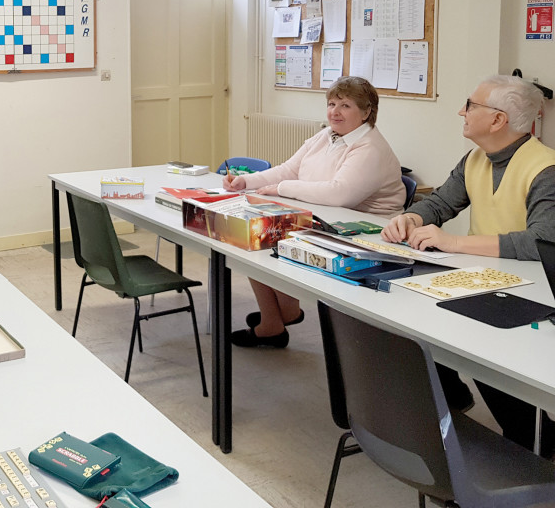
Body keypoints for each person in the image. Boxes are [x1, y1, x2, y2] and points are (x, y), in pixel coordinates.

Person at [382, 74, 555, 452]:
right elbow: (441, 203)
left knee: (483, 349)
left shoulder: (545, 169)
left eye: (471, 105)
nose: (462, 111)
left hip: (537, 293)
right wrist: (413, 217)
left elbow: (541, 243)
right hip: (491, 282)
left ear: (497, 121)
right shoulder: (476, 159)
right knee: (415, 317)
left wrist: (453, 241)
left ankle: (531, 443)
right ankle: (452, 400)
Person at [226, 76, 406, 348]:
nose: (335, 111)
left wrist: (280, 188)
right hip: (327, 222)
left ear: (367, 111)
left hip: (368, 237)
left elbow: (339, 193)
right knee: (256, 236)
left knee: (267, 238)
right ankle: (276, 318)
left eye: (345, 105)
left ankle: (280, 316)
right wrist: (247, 181)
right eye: (331, 103)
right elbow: (289, 168)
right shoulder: (328, 135)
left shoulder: (370, 147)